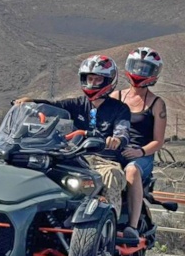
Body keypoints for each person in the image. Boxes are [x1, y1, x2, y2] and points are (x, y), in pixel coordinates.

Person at [14, 55, 131, 226]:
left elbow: (123, 131)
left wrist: (117, 139)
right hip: (76, 157)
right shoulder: (77, 103)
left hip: (106, 161)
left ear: (108, 81)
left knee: (111, 176)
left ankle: (108, 226)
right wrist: (32, 103)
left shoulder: (120, 109)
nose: (92, 83)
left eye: (97, 79)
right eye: (89, 79)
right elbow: (54, 106)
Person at [111, 47, 167, 239]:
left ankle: (132, 227)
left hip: (140, 155)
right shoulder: (116, 97)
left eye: (146, 68)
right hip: (115, 149)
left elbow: (158, 141)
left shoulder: (156, 103)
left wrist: (139, 152)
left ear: (154, 72)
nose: (140, 72)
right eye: (137, 66)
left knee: (132, 170)